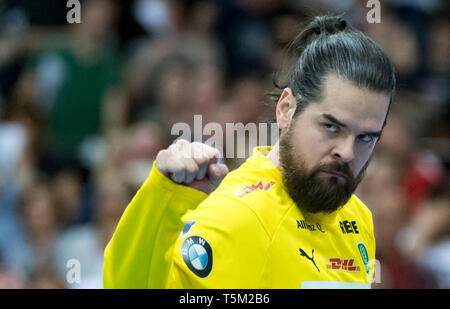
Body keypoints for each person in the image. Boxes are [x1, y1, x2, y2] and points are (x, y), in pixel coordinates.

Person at [103, 15, 396, 288]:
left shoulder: (359, 220)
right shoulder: (238, 214)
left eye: (366, 137)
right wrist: (162, 199)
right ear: (286, 110)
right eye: (332, 127)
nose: (347, 152)